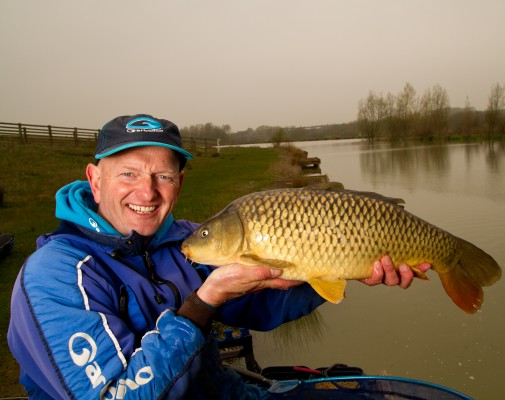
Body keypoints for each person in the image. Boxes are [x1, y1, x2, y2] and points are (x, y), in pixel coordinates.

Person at [8, 114, 430, 399]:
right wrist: (202, 304)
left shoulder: (184, 240)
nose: (147, 191)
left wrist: (344, 262)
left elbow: (261, 303)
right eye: (128, 174)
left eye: (163, 175)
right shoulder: (55, 274)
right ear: (94, 180)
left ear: (179, 181)